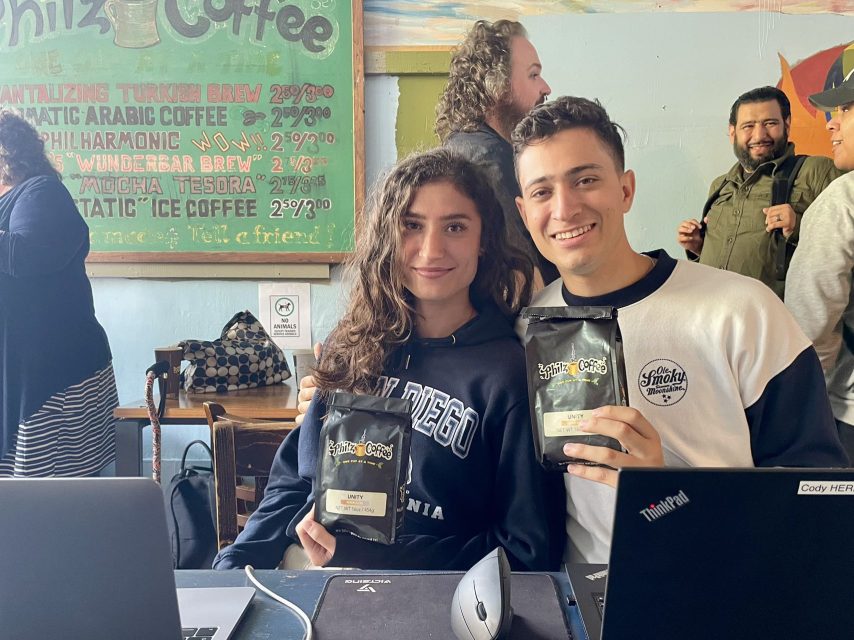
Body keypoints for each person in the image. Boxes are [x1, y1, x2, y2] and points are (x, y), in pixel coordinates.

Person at [512, 96, 848, 563]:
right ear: (524, 211)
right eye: (542, 191)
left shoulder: (743, 311)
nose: (564, 208)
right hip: (583, 604)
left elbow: (819, 499)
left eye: (585, 180)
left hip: (720, 591)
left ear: (626, 190)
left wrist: (672, 494)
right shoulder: (533, 323)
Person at [213, 149, 562, 571]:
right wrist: (237, 563)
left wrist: (373, 556)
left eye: (455, 226)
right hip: (309, 574)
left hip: (435, 598)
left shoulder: (509, 373)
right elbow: (294, 481)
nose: (431, 250)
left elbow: (525, 552)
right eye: (411, 225)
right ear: (388, 237)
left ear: (483, 240)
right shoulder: (353, 341)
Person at [0, 108, 117, 477]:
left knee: (50, 507)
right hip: (18, 378)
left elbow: (30, 254)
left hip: (50, 383)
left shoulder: (41, 192)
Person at [676, 86, 843, 299]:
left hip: (778, 324)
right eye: (748, 126)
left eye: (770, 123)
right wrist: (698, 247)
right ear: (732, 132)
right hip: (711, 319)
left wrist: (798, 227)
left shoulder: (816, 171)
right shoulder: (720, 185)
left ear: (787, 125)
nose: (759, 135)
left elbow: (846, 246)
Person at [436, 19, 558, 286]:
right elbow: (526, 278)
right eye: (533, 75)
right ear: (499, 87)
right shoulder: (489, 159)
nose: (545, 88)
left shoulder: (462, 145)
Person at [785, 68, 854, 462]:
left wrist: (803, 416)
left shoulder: (843, 200)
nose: (832, 124)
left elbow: (811, 326)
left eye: (845, 109)